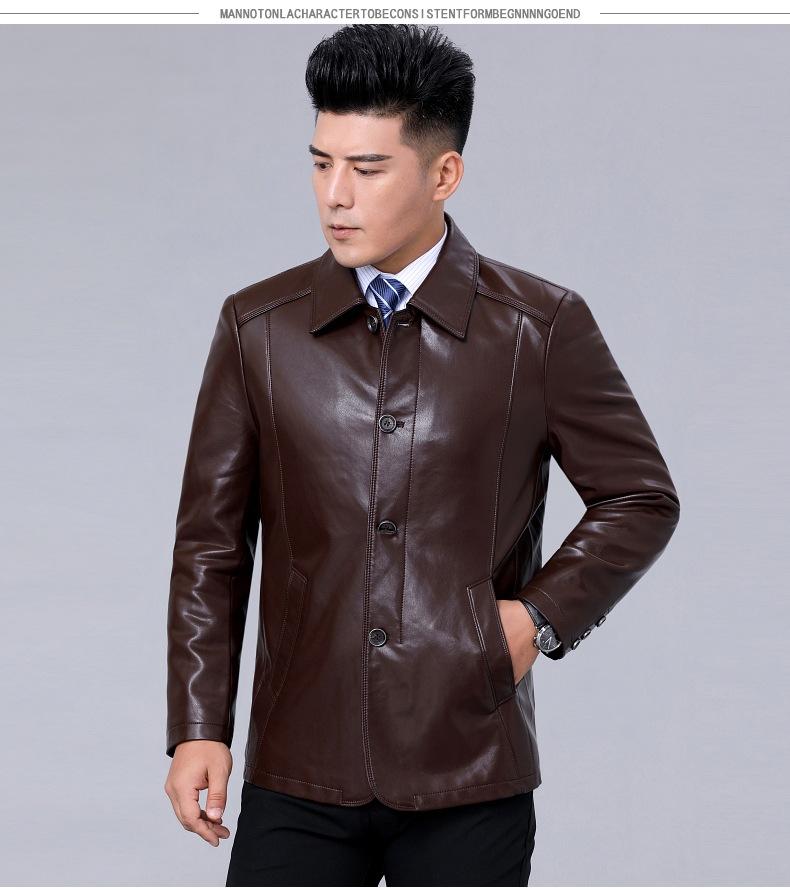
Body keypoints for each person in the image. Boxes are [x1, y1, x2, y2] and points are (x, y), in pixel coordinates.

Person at [163, 23, 680, 887]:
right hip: (299, 760)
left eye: (367, 170)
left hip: (468, 759)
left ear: (444, 175)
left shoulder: (538, 327)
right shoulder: (257, 327)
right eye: (321, 163)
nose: (336, 195)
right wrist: (196, 726)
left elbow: (640, 497)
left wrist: (534, 620)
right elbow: (212, 545)